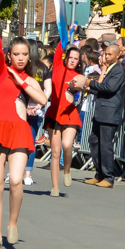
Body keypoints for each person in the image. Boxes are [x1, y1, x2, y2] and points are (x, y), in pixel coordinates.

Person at [0, 35, 45, 249]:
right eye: (16, 54)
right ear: (9, 55)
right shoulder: (2, 71)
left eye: (24, 54)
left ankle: (12, 223)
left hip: (19, 131)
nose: (20, 58)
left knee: (16, 181)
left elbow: (43, 99)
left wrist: (21, 82)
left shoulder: (30, 80)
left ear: (29, 57)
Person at [46, 42, 87, 199]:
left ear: (79, 61)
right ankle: (55, 186)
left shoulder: (79, 76)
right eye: (70, 57)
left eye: (76, 58)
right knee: (55, 152)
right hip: (55, 113)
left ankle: (68, 170)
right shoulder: (57, 68)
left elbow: (83, 88)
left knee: (67, 144)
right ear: (66, 58)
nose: (72, 60)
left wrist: (78, 87)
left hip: (70, 113)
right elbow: (59, 50)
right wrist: (65, 34)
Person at [86, 38, 125, 187]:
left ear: (117, 55)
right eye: (105, 54)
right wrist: (89, 89)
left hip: (109, 113)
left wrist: (91, 83)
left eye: (110, 54)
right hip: (101, 112)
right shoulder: (110, 68)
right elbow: (103, 89)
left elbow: (109, 88)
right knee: (94, 140)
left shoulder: (119, 70)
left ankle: (108, 177)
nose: (107, 57)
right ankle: (99, 174)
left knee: (105, 145)